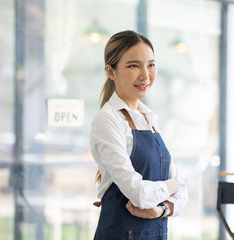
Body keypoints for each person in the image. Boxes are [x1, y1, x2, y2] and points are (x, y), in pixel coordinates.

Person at [89, 30, 188, 240]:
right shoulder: (107, 120)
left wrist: (162, 210)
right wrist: (170, 187)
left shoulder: (150, 120)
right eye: (134, 65)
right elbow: (138, 193)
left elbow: (183, 190)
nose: (145, 75)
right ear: (111, 71)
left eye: (151, 65)